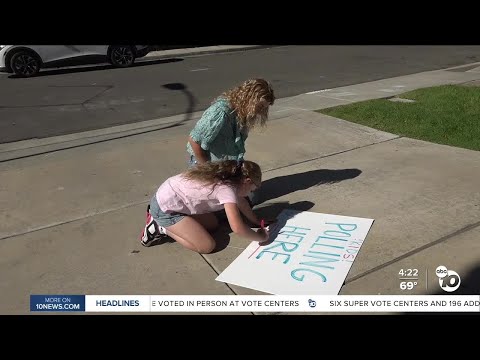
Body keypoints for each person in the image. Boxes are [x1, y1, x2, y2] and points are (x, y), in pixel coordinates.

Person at [140, 160, 272, 254]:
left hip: (173, 198)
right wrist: (261, 237)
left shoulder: (230, 177)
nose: (251, 193)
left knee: (213, 224)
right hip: (165, 210)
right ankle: (161, 227)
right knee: (207, 246)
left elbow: (242, 203)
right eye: (252, 189)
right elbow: (237, 228)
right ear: (247, 181)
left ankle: (180, 223)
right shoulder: (227, 189)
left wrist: (255, 220)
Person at [186, 78, 275, 166]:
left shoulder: (243, 112)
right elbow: (194, 140)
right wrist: (206, 169)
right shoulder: (220, 112)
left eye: (265, 108)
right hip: (205, 164)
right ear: (249, 99)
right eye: (260, 106)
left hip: (223, 164)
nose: (261, 111)